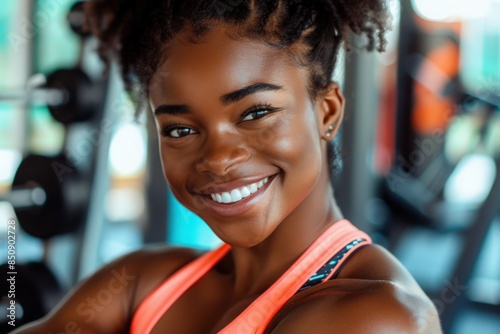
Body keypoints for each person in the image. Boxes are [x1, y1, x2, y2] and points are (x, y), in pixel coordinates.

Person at [14, 0, 441, 333]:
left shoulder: (381, 317)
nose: (217, 160)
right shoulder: (138, 284)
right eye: (180, 130)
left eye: (255, 113)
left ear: (327, 111)